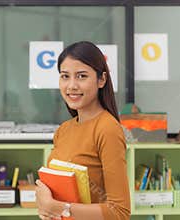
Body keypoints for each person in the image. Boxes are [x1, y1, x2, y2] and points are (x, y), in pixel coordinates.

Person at [35, 41, 130, 220]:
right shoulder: (63, 130)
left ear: (101, 80)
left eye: (81, 76)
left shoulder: (107, 129)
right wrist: (45, 203)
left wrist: (58, 208)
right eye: (65, 76)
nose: (71, 85)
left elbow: (119, 212)